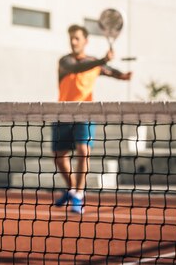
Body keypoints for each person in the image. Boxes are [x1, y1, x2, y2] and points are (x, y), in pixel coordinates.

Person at [53, 24, 132, 214]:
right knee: (59, 157)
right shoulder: (65, 61)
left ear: (85, 41)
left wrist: (123, 76)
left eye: (77, 38)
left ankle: (78, 194)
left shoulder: (95, 64)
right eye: (71, 38)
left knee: (83, 150)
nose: (73, 41)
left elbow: (111, 71)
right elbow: (79, 67)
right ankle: (72, 189)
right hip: (62, 113)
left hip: (85, 113)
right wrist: (103, 59)